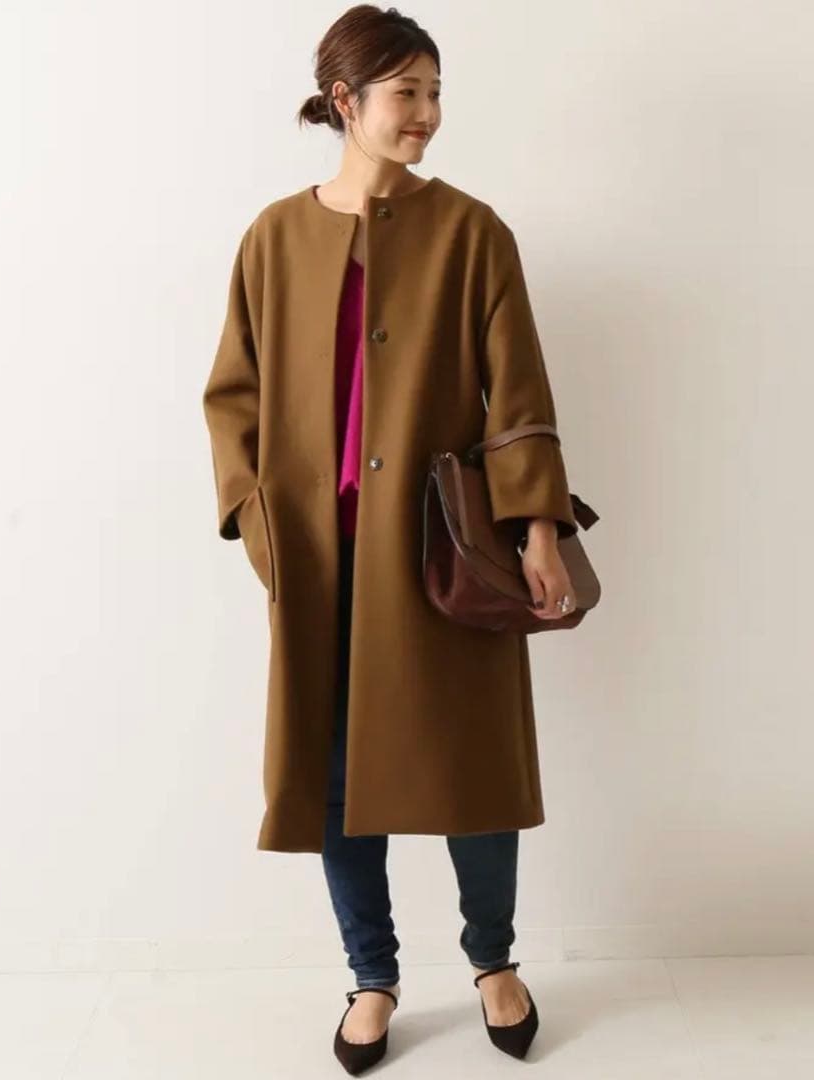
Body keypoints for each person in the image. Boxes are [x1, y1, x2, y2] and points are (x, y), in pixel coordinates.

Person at [204, 4, 578, 1073]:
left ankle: (493, 961)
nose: (428, 113)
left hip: (444, 551)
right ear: (345, 101)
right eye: (407, 92)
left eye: (436, 92)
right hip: (319, 558)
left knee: (472, 762)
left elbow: (520, 394)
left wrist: (538, 529)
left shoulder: (472, 232)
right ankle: (371, 975)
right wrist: (257, 523)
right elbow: (233, 395)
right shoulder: (274, 238)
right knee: (335, 775)